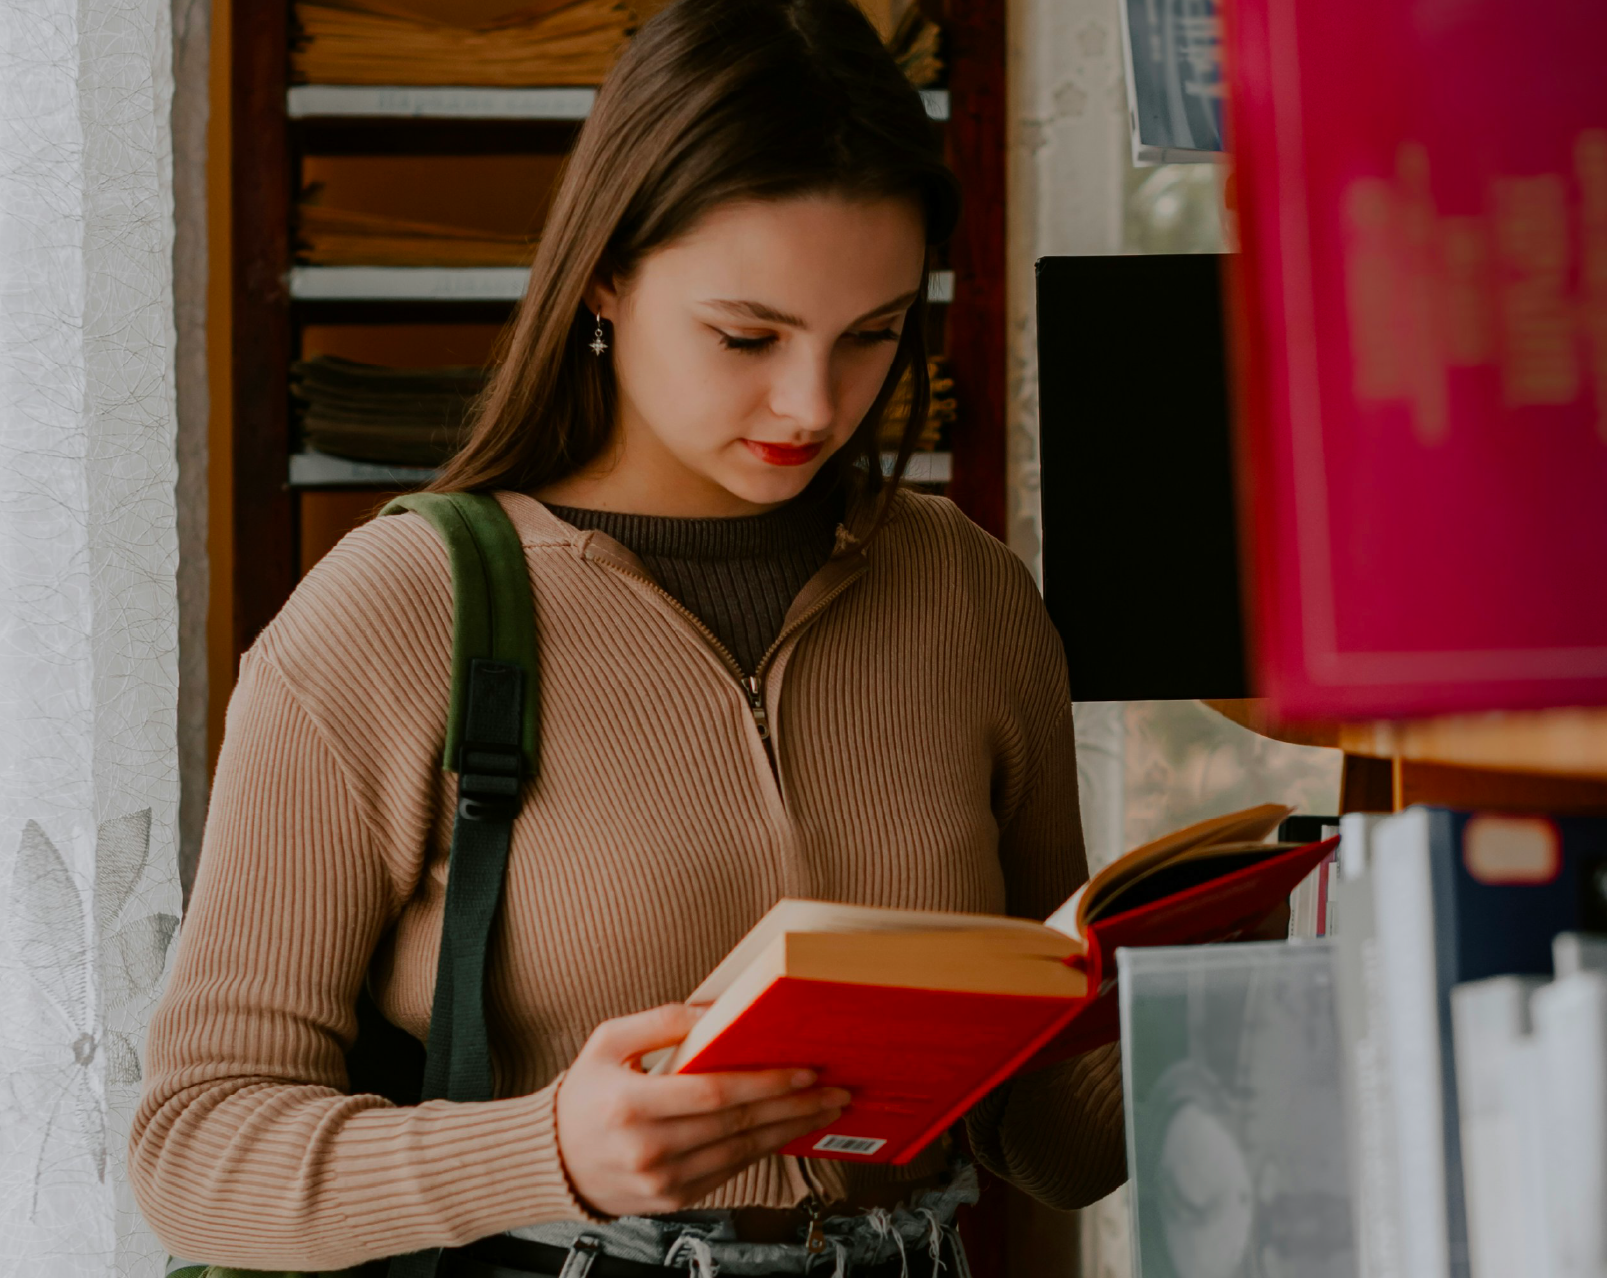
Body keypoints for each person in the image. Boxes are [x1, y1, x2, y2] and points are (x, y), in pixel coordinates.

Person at [128, 0, 1127, 1272]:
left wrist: (1233, 968)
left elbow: (1054, 1142)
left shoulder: (970, 597)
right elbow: (196, 1151)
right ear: (605, 274)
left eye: (871, 334)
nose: (812, 402)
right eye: (745, 336)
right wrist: (547, 1150)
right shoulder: (391, 613)